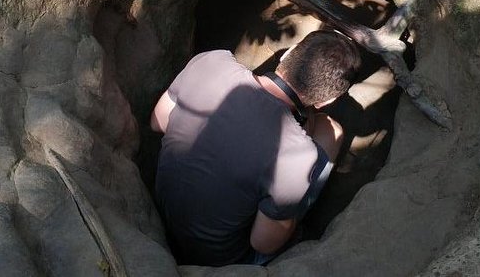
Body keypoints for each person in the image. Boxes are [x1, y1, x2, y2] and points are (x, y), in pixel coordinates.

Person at [150, 30, 362, 266]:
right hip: (220, 259)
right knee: (331, 131)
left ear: (288, 54)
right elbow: (262, 244)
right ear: (327, 101)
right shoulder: (298, 156)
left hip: (159, 213)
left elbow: (158, 121)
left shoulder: (212, 62)